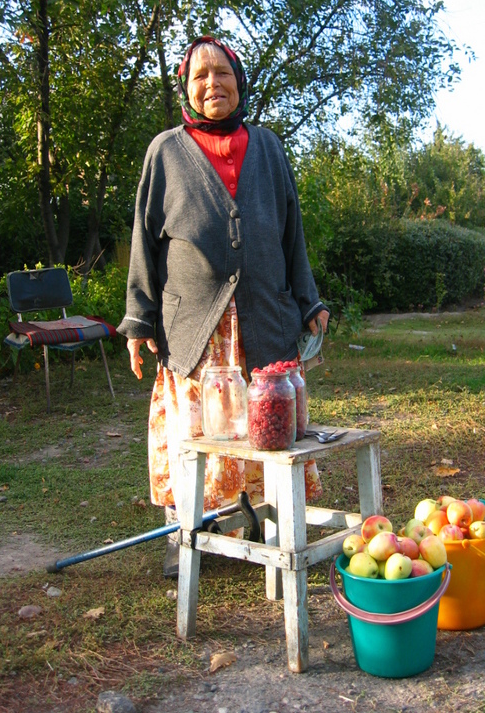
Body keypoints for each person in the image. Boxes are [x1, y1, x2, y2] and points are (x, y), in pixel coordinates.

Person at [117, 35, 329, 576]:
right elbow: (145, 240)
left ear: (239, 80)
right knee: (195, 426)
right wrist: (139, 321)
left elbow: (291, 233)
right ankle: (184, 528)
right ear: (187, 89)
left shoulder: (269, 146)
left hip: (264, 313)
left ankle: (260, 516)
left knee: (266, 417)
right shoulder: (165, 151)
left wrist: (309, 300)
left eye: (222, 73)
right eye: (199, 76)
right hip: (195, 325)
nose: (212, 84)